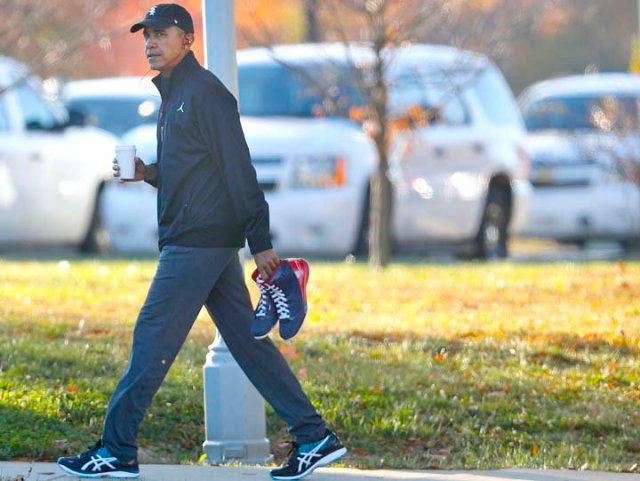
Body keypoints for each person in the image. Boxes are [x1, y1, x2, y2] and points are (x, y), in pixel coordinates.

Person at [56, 4, 346, 480]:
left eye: (161, 34)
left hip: (197, 244)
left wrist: (262, 242)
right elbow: (191, 176)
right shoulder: (174, 95)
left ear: (188, 39)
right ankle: (315, 436)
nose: (150, 42)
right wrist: (148, 174)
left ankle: (116, 449)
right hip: (200, 241)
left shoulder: (207, 94)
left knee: (150, 340)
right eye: (145, 35)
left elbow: (238, 170)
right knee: (249, 346)